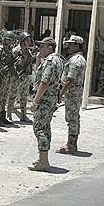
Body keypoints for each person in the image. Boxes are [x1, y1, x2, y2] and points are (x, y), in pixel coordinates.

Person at [28, 37, 63, 172]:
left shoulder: (50, 61)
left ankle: (44, 161)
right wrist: (37, 60)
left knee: (39, 128)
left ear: (50, 48)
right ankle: (43, 158)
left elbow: (44, 82)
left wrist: (35, 101)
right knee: (45, 126)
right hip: (51, 99)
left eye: (43, 46)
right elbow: (39, 77)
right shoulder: (57, 59)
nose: (40, 49)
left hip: (45, 99)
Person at [58, 35, 86, 154]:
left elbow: (70, 79)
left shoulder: (75, 60)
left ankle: (71, 145)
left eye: (71, 44)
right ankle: (72, 143)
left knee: (72, 118)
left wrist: (61, 93)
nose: (68, 46)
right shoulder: (78, 58)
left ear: (77, 45)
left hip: (73, 92)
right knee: (74, 117)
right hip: (75, 91)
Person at [11, 31, 34, 123]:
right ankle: (8, 115)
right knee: (12, 96)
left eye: (29, 40)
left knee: (24, 97)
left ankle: (23, 115)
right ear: (22, 41)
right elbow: (11, 64)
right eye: (27, 40)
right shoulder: (16, 50)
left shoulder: (28, 51)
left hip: (25, 77)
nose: (29, 42)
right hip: (17, 76)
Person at [0, 31, 17, 126]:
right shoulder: (0, 50)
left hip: (7, 77)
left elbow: (12, 62)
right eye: (8, 40)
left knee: (4, 97)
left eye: (10, 40)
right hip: (1, 77)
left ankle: (2, 116)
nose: (9, 42)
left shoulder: (10, 50)